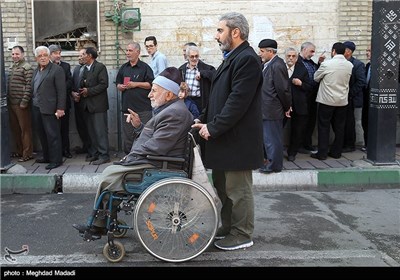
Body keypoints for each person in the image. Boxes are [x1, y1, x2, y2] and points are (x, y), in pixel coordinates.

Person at [72, 67, 193, 236]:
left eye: (154, 91)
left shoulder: (175, 113)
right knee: (110, 174)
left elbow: (157, 146)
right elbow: (157, 140)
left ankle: (99, 224)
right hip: (154, 159)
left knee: (109, 177)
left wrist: (131, 157)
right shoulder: (171, 110)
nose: (149, 94)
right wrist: (139, 127)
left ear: (168, 95)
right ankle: (103, 221)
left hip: (158, 163)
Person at [192, 12, 263, 251]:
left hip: (237, 141)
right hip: (223, 138)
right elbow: (217, 98)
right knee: (222, 187)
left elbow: (237, 102)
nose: (216, 35)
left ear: (236, 32)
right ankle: (229, 226)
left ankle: (242, 234)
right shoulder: (232, 58)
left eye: (220, 30)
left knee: (238, 190)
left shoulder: (248, 60)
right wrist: (202, 118)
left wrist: (213, 127)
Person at [311, 42, 353, 160]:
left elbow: (316, 77)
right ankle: (336, 152)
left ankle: (322, 153)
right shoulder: (349, 65)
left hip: (326, 101)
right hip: (342, 101)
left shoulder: (327, 64)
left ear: (333, 51)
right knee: (339, 127)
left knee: (323, 127)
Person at [258, 39, 292, 173]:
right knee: (267, 139)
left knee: (273, 139)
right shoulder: (268, 64)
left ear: (270, 52)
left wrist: (287, 107)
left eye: (262, 51)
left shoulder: (277, 65)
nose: (260, 54)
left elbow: (283, 89)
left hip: (272, 110)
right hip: (266, 109)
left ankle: (274, 166)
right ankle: (269, 162)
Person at [31, 46, 66, 169]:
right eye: (40, 56)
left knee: (53, 135)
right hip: (37, 107)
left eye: (45, 55)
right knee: (42, 134)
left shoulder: (57, 70)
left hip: (51, 108)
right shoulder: (36, 71)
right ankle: (47, 156)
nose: (43, 58)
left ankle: (56, 160)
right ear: (36, 58)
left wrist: (60, 108)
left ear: (49, 56)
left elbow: (62, 91)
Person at [116, 42, 154, 154]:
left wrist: (136, 84)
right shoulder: (124, 68)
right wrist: (121, 87)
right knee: (128, 136)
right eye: (127, 50)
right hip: (127, 109)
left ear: (138, 52)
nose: (127, 53)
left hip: (143, 109)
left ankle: (143, 158)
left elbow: (151, 84)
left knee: (144, 134)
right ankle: (128, 158)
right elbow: (117, 83)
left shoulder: (145, 68)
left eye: (130, 50)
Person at [79, 47, 110, 165]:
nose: (82, 57)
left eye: (84, 55)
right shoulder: (85, 69)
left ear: (90, 56)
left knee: (100, 131)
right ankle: (95, 153)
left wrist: (89, 90)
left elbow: (103, 84)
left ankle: (104, 155)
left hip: (98, 105)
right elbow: (83, 82)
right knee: (91, 131)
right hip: (87, 105)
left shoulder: (100, 67)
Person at [284, 47, 313, 162]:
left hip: (298, 104)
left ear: (297, 57)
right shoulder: (280, 68)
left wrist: (301, 83)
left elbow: (309, 86)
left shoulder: (302, 69)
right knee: (277, 128)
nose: (291, 58)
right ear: (285, 57)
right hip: (283, 104)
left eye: (293, 56)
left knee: (298, 130)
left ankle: (292, 153)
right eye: (288, 56)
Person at [297, 42, 325, 153]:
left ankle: (307, 144)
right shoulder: (297, 62)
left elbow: (315, 75)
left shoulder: (311, 62)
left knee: (310, 122)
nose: (313, 54)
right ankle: (298, 145)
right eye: (311, 51)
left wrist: (319, 63)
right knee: (301, 122)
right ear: (304, 50)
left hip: (312, 96)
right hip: (302, 96)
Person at [7, 46, 34, 162]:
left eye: (17, 54)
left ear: (22, 54)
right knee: (16, 129)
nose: (15, 56)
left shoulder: (27, 68)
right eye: (13, 54)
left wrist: (24, 101)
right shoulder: (12, 67)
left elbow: (29, 86)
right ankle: (19, 151)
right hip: (11, 103)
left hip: (21, 104)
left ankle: (27, 154)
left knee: (25, 130)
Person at [48, 44, 73, 158]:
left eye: (59, 53)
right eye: (55, 53)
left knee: (64, 128)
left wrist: (60, 87)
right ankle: (54, 152)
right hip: (50, 103)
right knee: (52, 129)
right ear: (50, 55)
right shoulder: (46, 67)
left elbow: (69, 81)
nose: (58, 56)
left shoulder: (66, 66)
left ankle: (65, 150)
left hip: (64, 103)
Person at [342, 41, 366, 152]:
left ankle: (350, 145)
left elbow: (361, 82)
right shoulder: (341, 63)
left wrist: (350, 93)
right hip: (342, 99)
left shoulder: (357, 64)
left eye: (344, 49)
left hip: (352, 99)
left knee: (351, 123)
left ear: (349, 51)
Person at [178, 45, 216, 113]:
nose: (194, 58)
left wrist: (202, 73)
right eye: (192, 56)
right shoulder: (182, 69)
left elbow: (215, 75)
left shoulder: (206, 68)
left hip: (200, 102)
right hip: (187, 101)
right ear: (187, 57)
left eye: (196, 56)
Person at [71, 49, 91, 154]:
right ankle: (85, 146)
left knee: (89, 127)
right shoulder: (76, 69)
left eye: (82, 55)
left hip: (88, 103)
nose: (80, 57)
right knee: (80, 126)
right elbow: (73, 83)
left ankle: (91, 148)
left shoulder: (91, 69)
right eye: (79, 55)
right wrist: (73, 94)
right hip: (77, 102)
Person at [361, 46, 371, 151]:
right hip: (366, 99)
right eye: (366, 50)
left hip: (375, 99)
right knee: (365, 121)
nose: (367, 53)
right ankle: (367, 144)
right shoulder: (368, 65)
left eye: (369, 51)